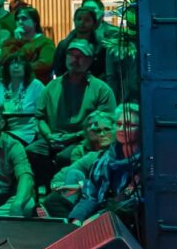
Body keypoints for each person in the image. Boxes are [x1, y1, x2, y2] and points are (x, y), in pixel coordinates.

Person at [26, 39, 116, 189]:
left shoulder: (101, 89)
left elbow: (106, 122)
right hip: (53, 137)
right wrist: (48, 135)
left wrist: (75, 136)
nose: (75, 59)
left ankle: (69, 191)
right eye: (71, 55)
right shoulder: (52, 86)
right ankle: (47, 189)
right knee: (31, 151)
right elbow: (40, 117)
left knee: (66, 156)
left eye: (80, 56)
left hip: (83, 138)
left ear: (89, 60)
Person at [46, 104, 142, 225]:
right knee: (57, 203)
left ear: (141, 129)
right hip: (101, 210)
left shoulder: (145, 163)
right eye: (118, 124)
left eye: (129, 125)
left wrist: (95, 220)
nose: (122, 128)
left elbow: (127, 201)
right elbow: (91, 194)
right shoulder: (105, 159)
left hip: (127, 220)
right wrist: (77, 220)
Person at [0, 51, 44, 145]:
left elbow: (44, 110)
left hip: (27, 131)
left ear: (26, 67)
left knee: (2, 141)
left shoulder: (35, 85)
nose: (16, 66)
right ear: (7, 68)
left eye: (20, 64)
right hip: (3, 129)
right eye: (13, 64)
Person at [0, 5, 56, 83]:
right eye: (17, 19)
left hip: (37, 85)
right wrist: (17, 41)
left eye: (24, 18)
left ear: (35, 22)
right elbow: (5, 61)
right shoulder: (10, 42)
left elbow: (45, 64)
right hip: (14, 85)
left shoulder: (44, 42)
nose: (20, 22)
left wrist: (20, 68)